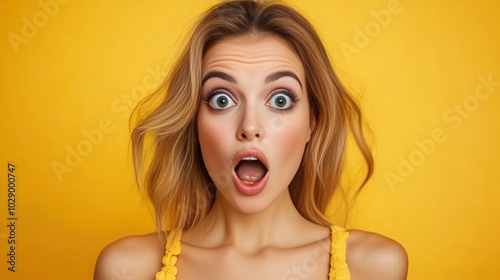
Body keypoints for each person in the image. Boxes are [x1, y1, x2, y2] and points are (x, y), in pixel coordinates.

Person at [94, 1, 408, 279]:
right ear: (193, 121)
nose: (250, 126)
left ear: (313, 122)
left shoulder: (375, 267)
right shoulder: (127, 269)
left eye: (280, 101)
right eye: (221, 100)